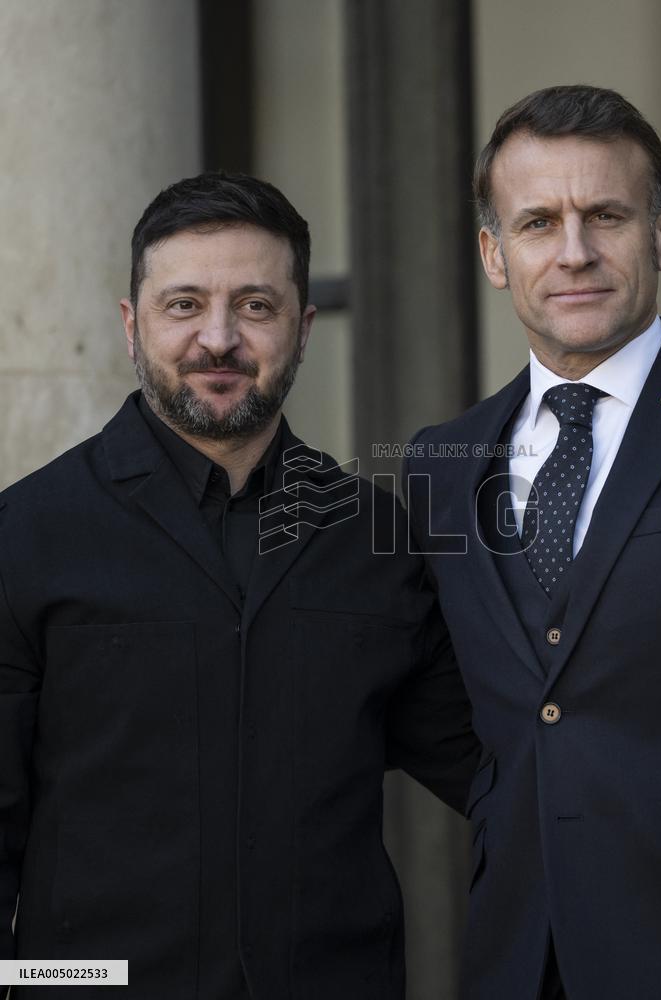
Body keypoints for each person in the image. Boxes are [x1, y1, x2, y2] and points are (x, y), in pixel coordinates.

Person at [0, 172, 479, 999]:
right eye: (183, 304)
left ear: (303, 328)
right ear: (130, 324)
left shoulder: (375, 538)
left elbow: (497, 768)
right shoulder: (26, 533)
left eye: (255, 306)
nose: (217, 338)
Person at [405, 85, 661, 1000]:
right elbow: (451, 704)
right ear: (493, 255)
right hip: (520, 952)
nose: (573, 252)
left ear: (660, 234)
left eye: (605, 216)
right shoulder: (439, 462)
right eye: (538, 222)